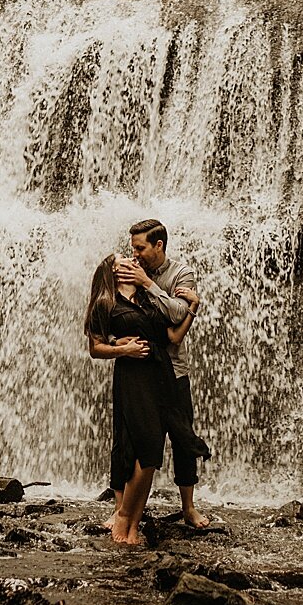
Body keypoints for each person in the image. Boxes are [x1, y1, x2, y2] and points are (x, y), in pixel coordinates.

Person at [85, 252, 209, 545]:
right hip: (133, 377)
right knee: (140, 446)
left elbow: (174, 337)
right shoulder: (106, 302)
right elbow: (94, 348)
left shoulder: (149, 299)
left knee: (152, 452)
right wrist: (121, 349)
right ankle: (124, 517)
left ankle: (133, 524)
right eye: (125, 259)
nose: (132, 258)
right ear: (114, 271)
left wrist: (192, 307)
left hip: (162, 375)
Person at [117, 218, 211, 529]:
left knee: (182, 438)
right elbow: (114, 309)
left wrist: (147, 284)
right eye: (133, 248)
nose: (135, 253)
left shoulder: (182, 274)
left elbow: (177, 315)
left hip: (173, 371)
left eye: (140, 247)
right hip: (140, 371)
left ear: (159, 245)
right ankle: (124, 510)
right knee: (130, 441)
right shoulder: (128, 270)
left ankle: (188, 507)